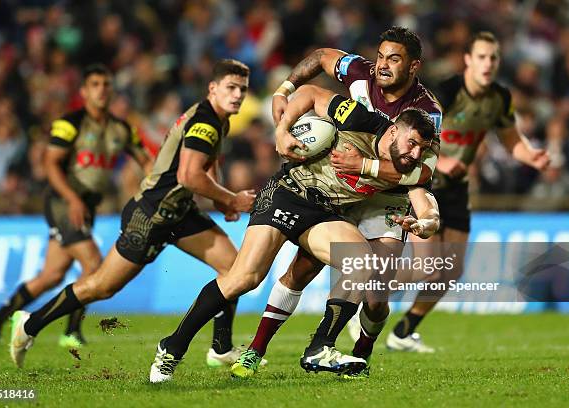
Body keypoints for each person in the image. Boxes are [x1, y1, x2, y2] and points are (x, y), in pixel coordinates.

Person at [147, 83, 439, 383]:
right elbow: (311, 92)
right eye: (411, 143)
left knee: (361, 261)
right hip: (286, 194)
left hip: (325, 213)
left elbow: (425, 204)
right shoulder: (357, 118)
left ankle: (319, 347)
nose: (414, 153)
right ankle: (171, 347)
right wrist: (283, 128)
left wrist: (426, 224)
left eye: (421, 149)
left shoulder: (407, 169)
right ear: (393, 132)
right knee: (244, 278)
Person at [8, 59, 257, 369]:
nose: (237, 95)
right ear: (213, 88)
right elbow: (188, 176)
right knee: (102, 286)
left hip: (179, 212)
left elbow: (207, 164)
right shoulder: (205, 122)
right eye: (231, 88)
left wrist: (219, 199)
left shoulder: (218, 119)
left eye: (243, 90)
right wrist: (231, 199)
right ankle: (30, 324)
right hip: (150, 216)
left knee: (234, 269)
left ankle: (220, 347)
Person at [230, 26, 443, 375]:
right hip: (339, 186)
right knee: (302, 269)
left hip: (385, 198)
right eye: (381, 56)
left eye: (394, 59)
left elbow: (420, 175)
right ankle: (255, 350)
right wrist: (284, 90)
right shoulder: (362, 74)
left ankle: (362, 349)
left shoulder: (426, 112)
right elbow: (320, 57)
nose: (384, 66)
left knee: (375, 295)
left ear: (414, 67)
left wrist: (366, 165)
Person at [382, 31, 549, 352]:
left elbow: (512, 140)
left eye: (493, 58)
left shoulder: (499, 97)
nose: (488, 63)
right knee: (425, 267)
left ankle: (403, 331)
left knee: (450, 271)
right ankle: (366, 295)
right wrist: (440, 161)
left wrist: (532, 156)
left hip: (456, 189)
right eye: (482, 56)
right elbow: (413, 130)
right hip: (424, 182)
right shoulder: (445, 92)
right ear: (469, 60)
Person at [0, 64, 152, 349]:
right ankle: (71, 331)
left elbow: (146, 161)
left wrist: (154, 184)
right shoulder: (70, 123)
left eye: (106, 84)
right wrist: (72, 199)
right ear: (83, 91)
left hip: (86, 206)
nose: (102, 90)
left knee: (51, 275)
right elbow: (50, 164)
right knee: (93, 264)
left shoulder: (121, 129)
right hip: (64, 202)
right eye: (95, 84)